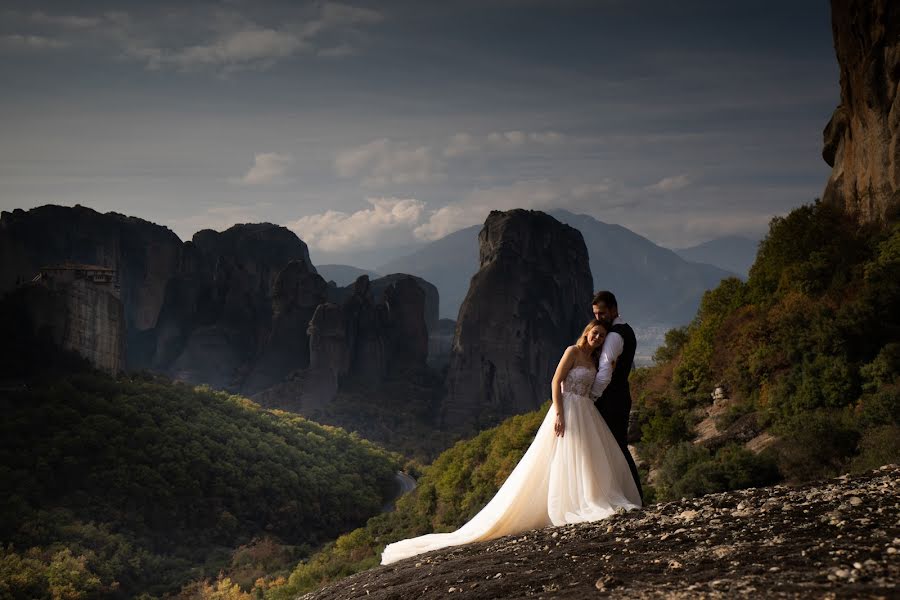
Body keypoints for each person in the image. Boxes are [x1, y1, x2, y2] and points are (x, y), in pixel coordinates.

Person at [380, 319, 641, 566]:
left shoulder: (594, 359)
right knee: (563, 456)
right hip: (567, 411)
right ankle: (570, 502)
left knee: (585, 457)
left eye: (602, 336)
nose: (597, 338)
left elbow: (596, 384)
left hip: (586, 411)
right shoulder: (572, 351)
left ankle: (584, 498)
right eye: (595, 333)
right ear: (587, 332)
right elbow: (555, 381)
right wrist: (559, 412)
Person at [590, 291, 644, 500]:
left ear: (614, 309)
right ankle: (630, 496)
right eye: (595, 313)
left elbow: (605, 373)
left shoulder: (613, 336)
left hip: (610, 400)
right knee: (617, 447)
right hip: (620, 396)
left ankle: (630, 496)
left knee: (615, 448)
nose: (598, 318)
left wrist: (591, 397)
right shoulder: (625, 330)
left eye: (602, 313)